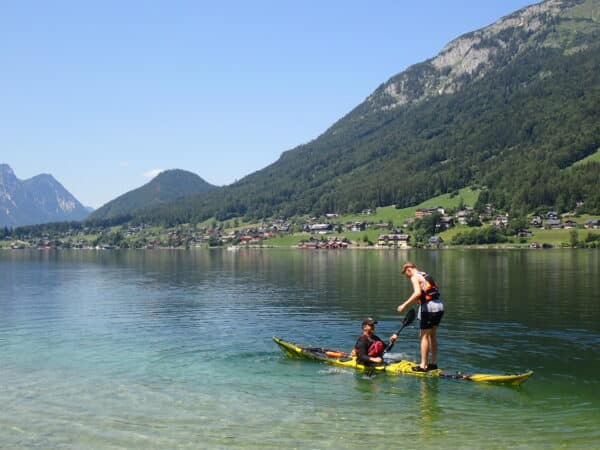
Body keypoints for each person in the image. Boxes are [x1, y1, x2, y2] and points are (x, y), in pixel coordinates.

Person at [396, 262, 444, 372]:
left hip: (428, 307)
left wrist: (404, 305)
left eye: (406, 275)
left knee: (424, 336)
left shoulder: (414, 276)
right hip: (440, 306)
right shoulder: (427, 275)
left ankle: (423, 365)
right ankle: (434, 363)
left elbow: (417, 293)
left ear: (408, 269)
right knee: (432, 335)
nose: (408, 277)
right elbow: (434, 288)